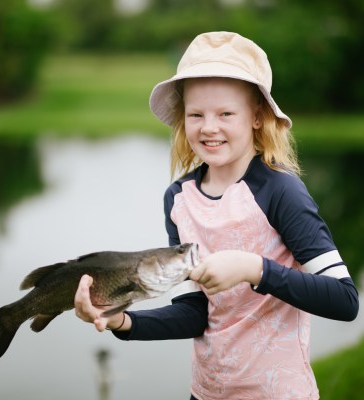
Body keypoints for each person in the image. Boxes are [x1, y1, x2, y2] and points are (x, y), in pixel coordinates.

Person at [74, 32, 359, 399]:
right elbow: (198, 312)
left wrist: (254, 268)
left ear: (257, 117)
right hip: (206, 392)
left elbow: (344, 299)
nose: (209, 127)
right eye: (196, 114)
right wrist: (122, 320)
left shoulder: (280, 191)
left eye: (226, 113)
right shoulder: (179, 199)